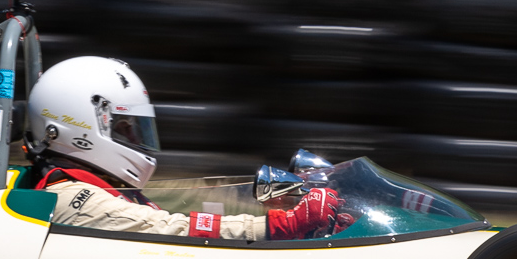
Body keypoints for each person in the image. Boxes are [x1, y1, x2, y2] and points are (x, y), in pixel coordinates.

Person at [22, 56, 343, 240]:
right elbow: (169, 227)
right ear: (79, 127)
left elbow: (186, 199)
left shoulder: (107, 187)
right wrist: (279, 225)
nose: (137, 142)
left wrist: (272, 202)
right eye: (125, 130)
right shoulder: (72, 199)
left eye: (137, 130)